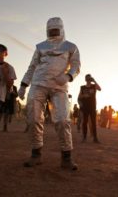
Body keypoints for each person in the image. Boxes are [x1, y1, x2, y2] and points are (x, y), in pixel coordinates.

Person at [18, 17, 80, 170]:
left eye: (55, 30)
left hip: (59, 87)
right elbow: (32, 66)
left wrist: (68, 76)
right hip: (38, 84)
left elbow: (76, 64)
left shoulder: (71, 46)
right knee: (33, 119)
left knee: (62, 120)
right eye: (50, 31)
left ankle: (66, 157)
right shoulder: (40, 47)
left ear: (61, 29)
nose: (53, 33)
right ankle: (36, 154)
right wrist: (23, 85)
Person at [78, 74, 101, 143]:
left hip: (92, 107)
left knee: (94, 123)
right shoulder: (82, 87)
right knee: (84, 123)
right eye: (87, 78)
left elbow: (99, 89)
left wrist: (94, 81)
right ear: (85, 79)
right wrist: (83, 95)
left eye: (89, 78)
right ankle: (84, 137)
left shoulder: (94, 86)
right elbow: (79, 97)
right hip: (85, 107)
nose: (88, 80)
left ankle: (95, 138)